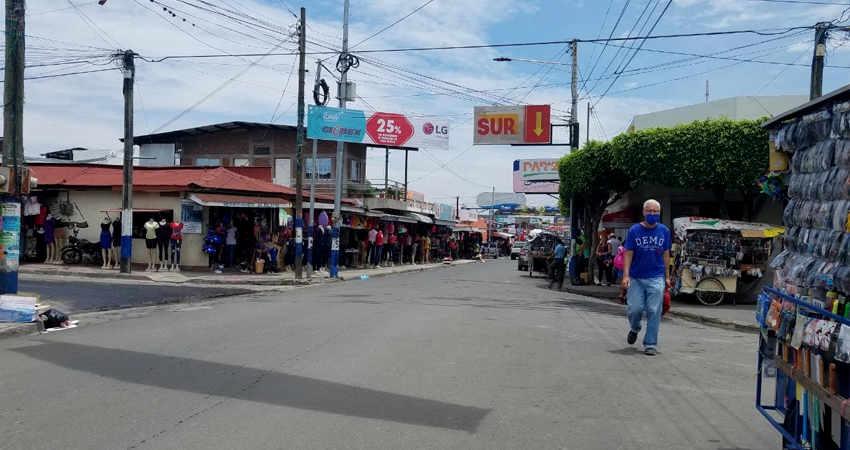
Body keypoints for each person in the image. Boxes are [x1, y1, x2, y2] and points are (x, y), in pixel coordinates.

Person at [622, 199, 671, 356]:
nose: (652, 214)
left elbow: (666, 254)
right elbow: (628, 254)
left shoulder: (664, 231)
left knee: (653, 310)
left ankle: (650, 343)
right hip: (636, 277)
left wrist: (667, 277)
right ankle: (635, 328)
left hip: (656, 277)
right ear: (643, 212)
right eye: (649, 211)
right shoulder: (634, 230)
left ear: (659, 213)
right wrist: (625, 276)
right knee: (635, 309)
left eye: (655, 211)